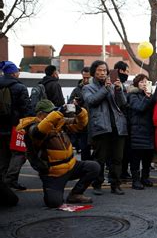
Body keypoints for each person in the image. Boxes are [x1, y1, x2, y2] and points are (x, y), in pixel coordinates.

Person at [16, 99, 100, 207]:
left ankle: (75, 194)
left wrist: (79, 111)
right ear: (40, 114)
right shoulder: (31, 127)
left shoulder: (60, 122)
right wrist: (58, 113)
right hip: (53, 173)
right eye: (50, 112)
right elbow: (39, 132)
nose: (54, 113)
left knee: (94, 167)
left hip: (71, 166)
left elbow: (80, 124)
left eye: (54, 111)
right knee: (54, 203)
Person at [83, 60, 128, 195]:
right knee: (99, 158)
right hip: (101, 127)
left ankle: (115, 184)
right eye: (99, 70)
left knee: (118, 158)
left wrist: (119, 90)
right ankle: (97, 184)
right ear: (94, 72)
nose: (102, 73)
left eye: (104, 70)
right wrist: (106, 89)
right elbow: (91, 101)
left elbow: (123, 103)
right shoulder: (88, 88)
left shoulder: (113, 86)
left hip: (118, 126)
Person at [0, 61, 34, 191]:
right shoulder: (19, 87)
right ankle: (11, 180)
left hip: (1, 127)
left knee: (3, 154)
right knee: (19, 153)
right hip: (16, 126)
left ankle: (3, 181)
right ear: (14, 73)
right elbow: (26, 108)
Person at [127, 74, 155, 190]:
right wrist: (147, 97)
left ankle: (145, 177)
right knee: (136, 158)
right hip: (137, 131)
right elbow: (139, 107)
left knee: (147, 157)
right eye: (142, 82)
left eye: (146, 82)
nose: (144, 84)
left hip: (149, 131)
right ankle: (136, 180)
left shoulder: (149, 96)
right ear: (136, 84)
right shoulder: (133, 95)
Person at [111, 61, 133, 181]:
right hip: (116, 122)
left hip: (124, 122)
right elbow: (122, 103)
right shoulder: (113, 84)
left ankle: (123, 172)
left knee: (124, 151)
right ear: (119, 70)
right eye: (126, 71)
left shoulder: (124, 85)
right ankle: (116, 175)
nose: (127, 74)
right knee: (117, 153)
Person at [68, 67, 92, 161]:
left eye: (88, 77)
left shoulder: (96, 87)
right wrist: (73, 102)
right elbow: (70, 101)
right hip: (83, 121)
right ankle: (86, 167)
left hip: (95, 120)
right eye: (84, 77)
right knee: (84, 147)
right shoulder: (77, 89)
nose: (86, 80)